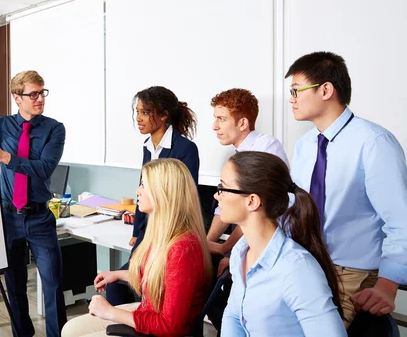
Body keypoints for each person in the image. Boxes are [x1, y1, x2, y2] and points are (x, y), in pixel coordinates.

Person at [286, 51, 407, 326]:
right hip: (306, 261)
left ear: (326, 90)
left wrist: (387, 286)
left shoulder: (374, 142)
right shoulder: (305, 146)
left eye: (295, 90)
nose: (291, 99)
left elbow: (401, 221)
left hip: (351, 273)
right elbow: (296, 207)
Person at [62, 158, 211, 337]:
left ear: (162, 193)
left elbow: (170, 326)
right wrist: (118, 274)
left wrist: (110, 312)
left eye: (143, 185)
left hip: (162, 329)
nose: (137, 191)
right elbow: (158, 279)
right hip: (149, 312)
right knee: (70, 330)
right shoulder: (162, 234)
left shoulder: (182, 248)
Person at [0, 71, 67, 337]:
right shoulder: (1, 126)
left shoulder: (54, 128)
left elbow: (44, 168)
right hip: (8, 217)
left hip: (39, 218)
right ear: (17, 98)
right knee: (14, 286)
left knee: (53, 284)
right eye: (33, 94)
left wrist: (5, 157)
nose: (39, 99)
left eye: (42, 92)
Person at [218, 151, 346, 336]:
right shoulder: (241, 250)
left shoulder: (296, 268)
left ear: (252, 201)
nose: (217, 196)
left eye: (223, 188)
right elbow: (234, 315)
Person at [107, 86, 200, 306]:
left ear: (163, 115)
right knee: (117, 285)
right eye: (137, 112)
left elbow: (183, 198)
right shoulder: (148, 147)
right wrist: (137, 231)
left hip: (169, 233)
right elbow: (143, 188)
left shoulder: (186, 149)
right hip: (148, 233)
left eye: (145, 112)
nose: (138, 118)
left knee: (144, 288)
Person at [207, 88, 289, 276]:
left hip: (268, 249)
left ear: (242, 123)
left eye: (222, 119)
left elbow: (256, 211)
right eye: (215, 118)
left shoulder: (266, 148)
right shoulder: (235, 156)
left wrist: (226, 248)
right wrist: (206, 244)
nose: (214, 126)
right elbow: (224, 206)